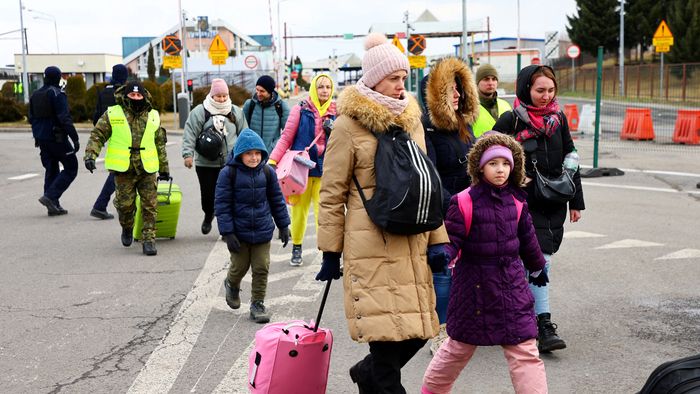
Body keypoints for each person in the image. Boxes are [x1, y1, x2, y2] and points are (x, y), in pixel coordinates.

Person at [315, 33, 450, 393]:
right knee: (385, 342)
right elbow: (331, 193)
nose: (400, 85)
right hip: (370, 241)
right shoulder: (347, 125)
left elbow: (427, 184)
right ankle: (374, 374)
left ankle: (365, 372)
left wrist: (439, 240)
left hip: (412, 241)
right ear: (374, 78)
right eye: (393, 78)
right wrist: (330, 250)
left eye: (403, 78)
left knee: (418, 332)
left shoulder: (411, 119)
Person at [421, 132, 548, 394]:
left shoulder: (517, 201)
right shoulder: (464, 201)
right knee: (457, 348)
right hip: (473, 290)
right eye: (493, 163)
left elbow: (528, 238)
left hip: (512, 287)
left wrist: (537, 267)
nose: (500, 169)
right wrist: (443, 254)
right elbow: (452, 236)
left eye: (505, 163)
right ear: (480, 167)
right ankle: (431, 391)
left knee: (525, 350)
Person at [493, 64, 585, 353]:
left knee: (535, 262)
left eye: (550, 90)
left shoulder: (558, 119)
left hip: (553, 202)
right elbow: (488, 156)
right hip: (520, 204)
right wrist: (512, 177)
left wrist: (576, 201)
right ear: (526, 90)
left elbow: (572, 157)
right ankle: (542, 325)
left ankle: (523, 318)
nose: (546, 96)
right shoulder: (511, 121)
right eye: (539, 90)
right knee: (536, 263)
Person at [419, 56, 480, 355]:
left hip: (470, 209)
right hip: (443, 212)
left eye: (460, 89)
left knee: (469, 270)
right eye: (451, 90)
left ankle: (464, 324)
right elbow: (429, 173)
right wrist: (454, 205)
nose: (458, 95)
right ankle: (441, 331)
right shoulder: (425, 128)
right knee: (443, 272)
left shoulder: (464, 125)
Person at [84, 81, 170, 256]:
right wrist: (90, 155)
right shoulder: (113, 113)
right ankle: (127, 227)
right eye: (132, 95)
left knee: (150, 206)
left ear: (144, 97)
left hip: (147, 168)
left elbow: (159, 143)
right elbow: (98, 134)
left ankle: (149, 239)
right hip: (124, 169)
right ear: (126, 96)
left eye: (139, 95)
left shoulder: (152, 115)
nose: (136, 98)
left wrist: (164, 167)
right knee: (125, 206)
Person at [215, 129, 290, 324]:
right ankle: (231, 284)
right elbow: (222, 205)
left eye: (257, 153)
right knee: (239, 267)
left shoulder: (267, 172)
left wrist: (283, 225)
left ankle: (257, 304)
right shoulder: (228, 173)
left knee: (261, 267)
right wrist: (227, 232)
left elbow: (277, 200)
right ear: (240, 154)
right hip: (238, 232)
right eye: (249, 153)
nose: (254, 157)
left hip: (263, 230)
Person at [269, 73, 337, 266]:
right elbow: (286, 138)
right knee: (299, 212)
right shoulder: (301, 110)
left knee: (324, 214)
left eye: (328, 87)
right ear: (314, 89)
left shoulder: (337, 112)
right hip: (301, 171)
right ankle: (297, 246)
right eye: (321, 87)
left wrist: (335, 130)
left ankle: (326, 252)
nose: (324, 90)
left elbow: (345, 141)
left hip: (327, 170)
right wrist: (273, 160)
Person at [182, 78, 247, 235]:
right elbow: (190, 133)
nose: (222, 99)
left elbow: (244, 133)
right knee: (208, 196)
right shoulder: (200, 111)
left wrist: (246, 155)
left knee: (229, 197)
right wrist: (187, 155)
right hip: (205, 164)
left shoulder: (235, 111)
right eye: (219, 96)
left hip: (230, 163)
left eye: (225, 96)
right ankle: (208, 214)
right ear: (212, 95)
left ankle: (227, 229)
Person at [29, 66, 79, 216]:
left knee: (51, 169)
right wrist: (74, 138)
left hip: (42, 139)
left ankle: (53, 204)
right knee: (71, 167)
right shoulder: (57, 94)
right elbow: (64, 118)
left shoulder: (35, 95)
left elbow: (32, 118)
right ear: (58, 78)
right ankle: (50, 197)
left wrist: (38, 135)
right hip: (57, 138)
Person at [89, 64, 129, 220]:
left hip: (111, 136)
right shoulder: (125, 93)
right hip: (124, 137)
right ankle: (100, 205)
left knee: (120, 170)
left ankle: (101, 205)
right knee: (120, 172)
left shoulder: (104, 91)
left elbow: (96, 117)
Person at [242, 75, 290, 153]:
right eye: (257, 90)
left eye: (262, 91)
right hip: (252, 152)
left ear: (270, 92)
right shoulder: (250, 104)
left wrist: (274, 146)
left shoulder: (281, 106)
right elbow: (242, 129)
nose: (258, 93)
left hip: (272, 153)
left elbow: (287, 132)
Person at [471, 64, 512, 138]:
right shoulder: (470, 107)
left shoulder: (505, 105)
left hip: (504, 148)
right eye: (486, 79)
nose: (490, 83)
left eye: (494, 79)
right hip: (478, 148)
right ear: (477, 82)